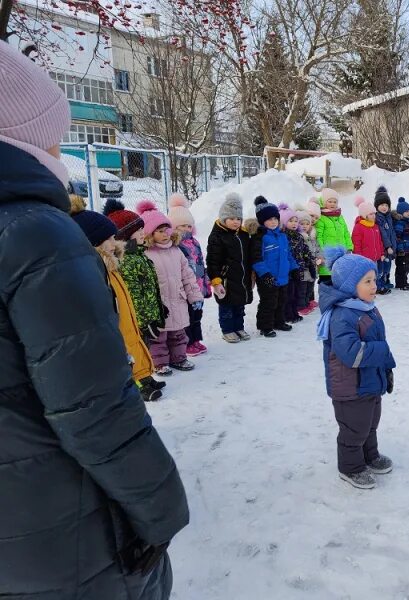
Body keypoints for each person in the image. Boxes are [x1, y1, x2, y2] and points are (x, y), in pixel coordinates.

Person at [0, 39, 187, 598]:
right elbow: (92, 407)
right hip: (60, 534)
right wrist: (161, 509)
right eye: (53, 128)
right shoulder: (33, 233)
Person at [317, 247, 397, 489]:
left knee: (370, 423)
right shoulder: (342, 315)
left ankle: (369, 456)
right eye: (368, 281)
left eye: (374, 279)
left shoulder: (365, 307)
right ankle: (350, 468)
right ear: (351, 286)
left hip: (369, 380)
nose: (375, 285)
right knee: (354, 429)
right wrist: (382, 352)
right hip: (350, 386)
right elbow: (351, 353)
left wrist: (387, 368)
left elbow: (378, 342)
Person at [71, 197, 162, 402]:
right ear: (92, 242)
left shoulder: (111, 267)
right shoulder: (95, 273)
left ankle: (142, 377)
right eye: (109, 239)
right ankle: (138, 383)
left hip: (128, 327)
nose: (115, 243)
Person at [107, 199, 170, 387]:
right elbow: (133, 295)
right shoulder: (126, 261)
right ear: (125, 236)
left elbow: (149, 288)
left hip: (145, 317)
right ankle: (139, 384)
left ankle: (146, 378)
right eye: (139, 231)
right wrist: (143, 321)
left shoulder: (139, 255)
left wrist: (159, 309)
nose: (144, 233)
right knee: (135, 350)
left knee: (145, 348)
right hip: (137, 320)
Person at [138, 201, 203, 375]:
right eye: (159, 231)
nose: (165, 234)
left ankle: (179, 358)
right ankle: (159, 363)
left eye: (166, 229)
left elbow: (188, 275)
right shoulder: (145, 254)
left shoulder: (176, 251)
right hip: (159, 305)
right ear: (149, 233)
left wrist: (195, 297)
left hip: (178, 300)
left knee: (178, 334)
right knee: (158, 337)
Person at [206, 192, 254, 343]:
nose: (235, 222)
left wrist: (251, 274)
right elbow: (212, 260)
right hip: (226, 278)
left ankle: (239, 327)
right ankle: (227, 330)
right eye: (232, 218)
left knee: (240, 305)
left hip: (241, 277)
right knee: (226, 306)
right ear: (223, 218)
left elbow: (249, 255)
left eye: (238, 218)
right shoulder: (217, 236)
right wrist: (216, 280)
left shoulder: (243, 235)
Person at [169, 192, 212, 357]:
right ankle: (187, 343)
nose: (187, 229)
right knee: (187, 316)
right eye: (182, 226)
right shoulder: (175, 245)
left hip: (198, 286)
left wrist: (205, 282)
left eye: (189, 226)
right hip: (185, 288)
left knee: (197, 315)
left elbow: (201, 262)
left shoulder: (194, 242)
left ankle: (196, 340)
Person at [251, 197, 298, 338]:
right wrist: (264, 274)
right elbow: (256, 259)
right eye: (269, 219)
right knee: (268, 302)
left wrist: (294, 268)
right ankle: (265, 326)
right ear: (262, 221)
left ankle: (279, 321)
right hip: (268, 277)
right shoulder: (260, 237)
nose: (273, 222)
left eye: (275, 219)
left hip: (283, 276)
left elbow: (288, 254)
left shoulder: (282, 236)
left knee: (281, 301)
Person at [279, 203, 313, 324]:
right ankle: (287, 314)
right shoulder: (283, 236)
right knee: (288, 293)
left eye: (295, 221)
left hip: (300, 268)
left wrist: (309, 260)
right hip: (288, 270)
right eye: (290, 221)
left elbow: (305, 249)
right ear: (283, 222)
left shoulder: (298, 236)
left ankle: (294, 312)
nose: (294, 223)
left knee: (297, 291)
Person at [316, 188, 352, 285]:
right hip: (327, 256)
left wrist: (349, 247)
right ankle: (326, 299)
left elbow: (346, 233)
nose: (332, 204)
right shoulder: (321, 218)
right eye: (330, 201)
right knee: (327, 281)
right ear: (324, 202)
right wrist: (321, 253)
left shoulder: (340, 216)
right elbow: (318, 237)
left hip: (341, 254)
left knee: (339, 279)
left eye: (335, 202)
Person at [297, 209, 322, 316]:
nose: (304, 226)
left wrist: (319, 257)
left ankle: (308, 302)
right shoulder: (299, 237)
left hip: (312, 267)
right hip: (303, 268)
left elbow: (317, 248)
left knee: (310, 287)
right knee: (302, 288)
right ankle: (301, 306)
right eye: (302, 223)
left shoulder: (312, 237)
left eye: (307, 224)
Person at [351, 196, 384, 272]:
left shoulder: (375, 226)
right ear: (365, 216)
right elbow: (356, 244)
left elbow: (379, 241)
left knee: (374, 276)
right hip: (364, 260)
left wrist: (381, 253)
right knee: (366, 277)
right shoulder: (359, 227)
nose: (374, 216)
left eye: (374, 213)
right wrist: (359, 258)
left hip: (375, 259)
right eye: (371, 214)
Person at [374, 186, 397, 294]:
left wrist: (393, 245)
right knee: (381, 267)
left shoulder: (388, 216)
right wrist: (388, 246)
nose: (384, 207)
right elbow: (382, 233)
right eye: (381, 205)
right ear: (376, 206)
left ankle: (386, 280)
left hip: (390, 248)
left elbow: (391, 231)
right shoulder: (378, 218)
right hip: (383, 248)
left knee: (388, 267)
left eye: (386, 205)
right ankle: (379, 285)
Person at [392, 197, 409, 291]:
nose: (408, 213)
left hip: (408, 250)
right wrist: (400, 248)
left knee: (407, 266)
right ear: (401, 212)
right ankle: (400, 283)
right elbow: (398, 237)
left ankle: (404, 281)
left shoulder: (408, 222)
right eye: (406, 211)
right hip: (402, 251)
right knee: (401, 267)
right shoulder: (399, 223)